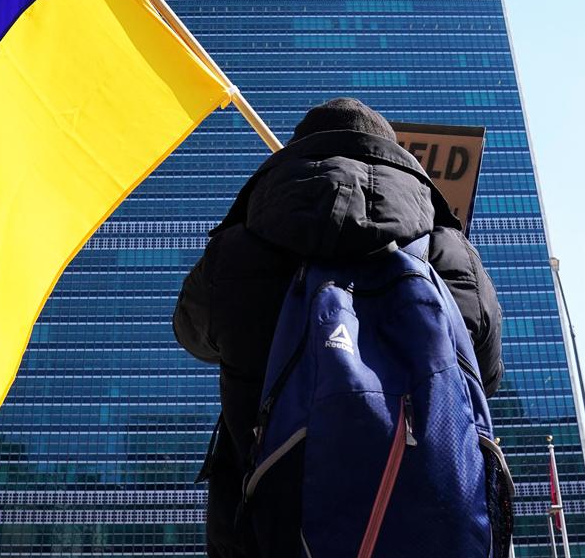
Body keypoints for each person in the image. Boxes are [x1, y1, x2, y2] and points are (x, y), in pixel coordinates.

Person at [173, 97, 503, 558]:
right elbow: (485, 379)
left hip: (274, 529)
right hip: (435, 523)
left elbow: (189, 333)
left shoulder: (242, 245)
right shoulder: (451, 252)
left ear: (298, 154)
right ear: (393, 153)